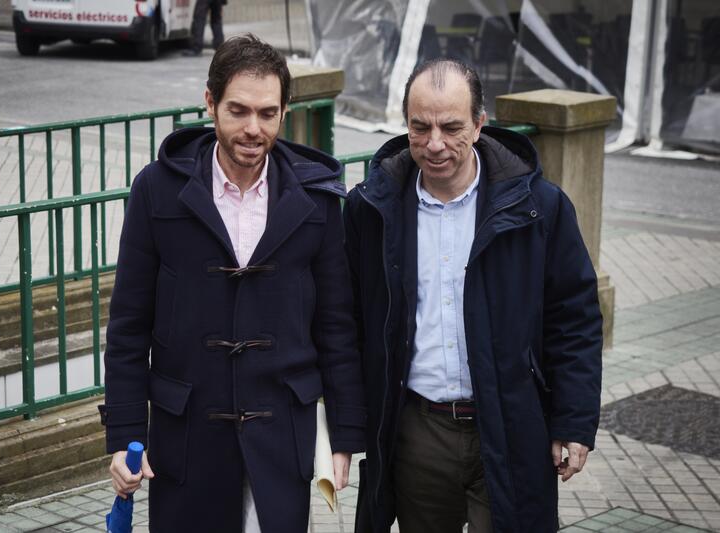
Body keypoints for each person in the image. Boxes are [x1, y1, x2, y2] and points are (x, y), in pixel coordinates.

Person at [99, 33, 366, 533]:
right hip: (188, 439)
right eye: (238, 111)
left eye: (267, 113)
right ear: (210, 102)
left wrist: (345, 435)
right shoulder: (156, 190)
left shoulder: (317, 200)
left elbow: (336, 326)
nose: (253, 129)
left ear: (284, 111)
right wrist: (124, 434)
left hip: (283, 437)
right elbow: (129, 326)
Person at [343, 58, 603, 533]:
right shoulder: (370, 209)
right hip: (417, 432)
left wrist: (573, 420)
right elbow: (348, 321)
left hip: (511, 423)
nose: (434, 144)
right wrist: (347, 427)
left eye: (451, 127)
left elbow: (574, 318)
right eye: (420, 127)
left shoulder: (539, 207)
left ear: (480, 125)